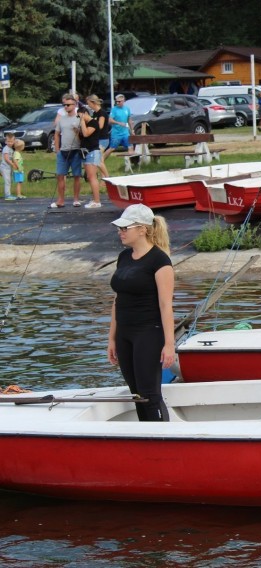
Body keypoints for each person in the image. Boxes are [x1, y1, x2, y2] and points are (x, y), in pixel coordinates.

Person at [107, 204, 175, 422]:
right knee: (135, 393)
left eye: (126, 228)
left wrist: (169, 344)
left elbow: (166, 305)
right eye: (120, 228)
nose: (121, 231)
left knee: (149, 393)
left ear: (142, 229)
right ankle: (145, 436)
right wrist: (111, 338)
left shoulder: (160, 261)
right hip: (124, 332)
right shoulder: (124, 257)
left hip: (148, 331)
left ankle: (164, 438)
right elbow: (118, 299)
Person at [50, 93, 83, 209]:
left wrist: (78, 132)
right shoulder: (61, 119)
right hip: (63, 151)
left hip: (75, 150)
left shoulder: (79, 118)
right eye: (64, 105)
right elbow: (57, 134)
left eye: (68, 105)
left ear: (74, 105)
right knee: (60, 175)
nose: (66, 107)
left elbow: (85, 133)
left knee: (77, 176)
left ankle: (76, 199)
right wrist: (57, 149)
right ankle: (61, 200)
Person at [77, 105, 103, 208]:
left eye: (80, 116)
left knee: (92, 177)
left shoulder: (93, 123)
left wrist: (82, 122)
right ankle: (94, 199)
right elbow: (82, 136)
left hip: (93, 152)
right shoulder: (86, 124)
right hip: (86, 152)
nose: (79, 119)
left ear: (85, 114)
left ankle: (97, 201)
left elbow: (87, 134)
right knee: (89, 176)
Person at [87, 94, 111, 178]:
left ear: (93, 102)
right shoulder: (95, 113)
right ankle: (103, 178)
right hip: (97, 139)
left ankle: (107, 178)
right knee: (99, 160)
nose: (88, 106)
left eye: (89, 103)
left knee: (98, 160)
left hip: (103, 139)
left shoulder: (102, 113)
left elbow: (100, 126)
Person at [103, 94, 132, 161]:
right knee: (112, 148)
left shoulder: (127, 109)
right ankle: (101, 161)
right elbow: (110, 120)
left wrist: (132, 129)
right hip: (116, 133)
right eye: (117, 101)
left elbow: (129, 119)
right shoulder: (114, 109)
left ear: (123, 101)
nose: (117, 103)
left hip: (125, 132)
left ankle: (131, 164)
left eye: (119, 101)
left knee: (130, 147)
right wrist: (118, 123)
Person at [1, 132, 15, 201]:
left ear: (13, 141)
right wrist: (12, 164)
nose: (10, 143)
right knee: (7, 181)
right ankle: (7, 195)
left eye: (11, 141)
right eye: (8, 141)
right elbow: (6, 159)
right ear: (6, 141)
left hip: (8, 168)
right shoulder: (6, 149)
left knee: (9, 181)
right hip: (5, 167)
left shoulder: (11, 149)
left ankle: (8, 194)